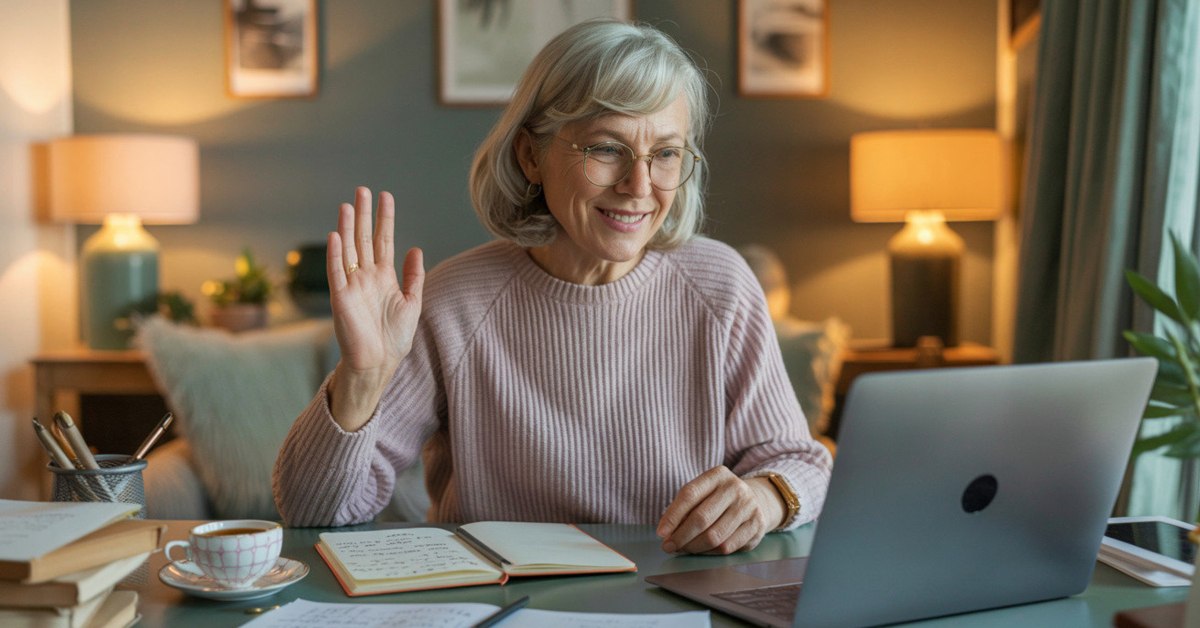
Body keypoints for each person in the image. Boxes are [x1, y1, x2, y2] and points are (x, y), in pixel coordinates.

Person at [273, 19, 832, 556]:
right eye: (607, 149)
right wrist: (363, 377)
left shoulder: (720, 285)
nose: (640, 186)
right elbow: (311, 512)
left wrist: (764, 497)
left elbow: (799, 462)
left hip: (674, 596)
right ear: (530, 155)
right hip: (500, 602)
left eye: (665, 154)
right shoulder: (456, 303)